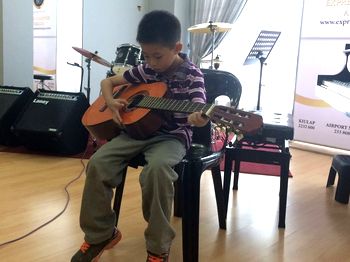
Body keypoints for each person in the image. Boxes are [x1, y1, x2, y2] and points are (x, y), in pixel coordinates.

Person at [71, 10, 208, 262]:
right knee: (98, 163)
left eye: (158, 56)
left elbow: (199, 105)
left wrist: (197, 116)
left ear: (176, 47)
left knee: (156, 171)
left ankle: (158, 247)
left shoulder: (192, 75)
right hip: (136, 132)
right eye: (146, 55)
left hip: (172, 137)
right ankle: (101, 234)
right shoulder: (146, 71)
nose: (152, 62)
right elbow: (108, 83)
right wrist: (111, 102)